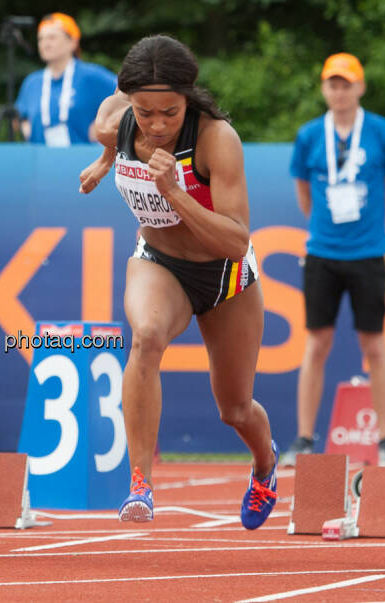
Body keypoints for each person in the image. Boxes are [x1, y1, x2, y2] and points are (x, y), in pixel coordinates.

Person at [79, 34, 278, 529]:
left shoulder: (216, 139)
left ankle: (265, 465)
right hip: (160, 263)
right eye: (145, 112)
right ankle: (140, 484)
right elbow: (106, 133)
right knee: (145, 337)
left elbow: (234, 241)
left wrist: (174, 190)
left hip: (225, 275)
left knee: (234, 409)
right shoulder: (117, 118)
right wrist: (107, 163)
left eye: (170, 111)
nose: (158, 124)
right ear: (129, 100)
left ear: (188, 97)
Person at [281, 53, 385, 468]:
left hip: (368, 253)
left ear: (360, 87)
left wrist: (370, 230)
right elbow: (304, 194)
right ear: (323, 88)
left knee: (374, 343)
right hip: (322, 253)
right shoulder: (309, 135)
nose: (339, 91)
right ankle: (303, 438)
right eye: (332, 84)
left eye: (346, 83)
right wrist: (325, 229)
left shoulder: (382, 132)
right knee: (317, 343)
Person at [14, 13, 118, 147]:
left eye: (52, 37)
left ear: (73, 42)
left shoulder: (90, 76)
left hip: (83, 159)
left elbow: (129, 97)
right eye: (41, 39)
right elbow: (17, 119)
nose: (45, 43)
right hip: (40, 161)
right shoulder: (32, 82)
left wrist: (105, 126)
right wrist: (26, 128)